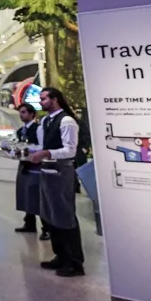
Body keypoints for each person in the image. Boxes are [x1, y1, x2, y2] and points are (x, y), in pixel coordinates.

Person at [26, 87, 85, 277]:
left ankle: (74, 262)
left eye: (44, 98)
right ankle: (60, 255)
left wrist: (47, 153)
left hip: (62, 171)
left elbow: (70, 150)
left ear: (55, 99)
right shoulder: (45, 121)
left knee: (64, 215)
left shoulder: (67, 121)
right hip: (47, 171)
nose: (40, 102)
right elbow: (43, 145)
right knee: (50, 214)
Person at [11, 103, 49, 241]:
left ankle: (47, 228)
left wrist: (28, 148)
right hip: (24, 165)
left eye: (24, 112)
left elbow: (42, 146)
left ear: (32, 114)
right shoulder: (20, 131)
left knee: (37, 195)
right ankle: (29, 223)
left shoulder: (38, 129)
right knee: (25, 194)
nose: (21, 115)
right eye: (20, 112)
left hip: (36, 166)